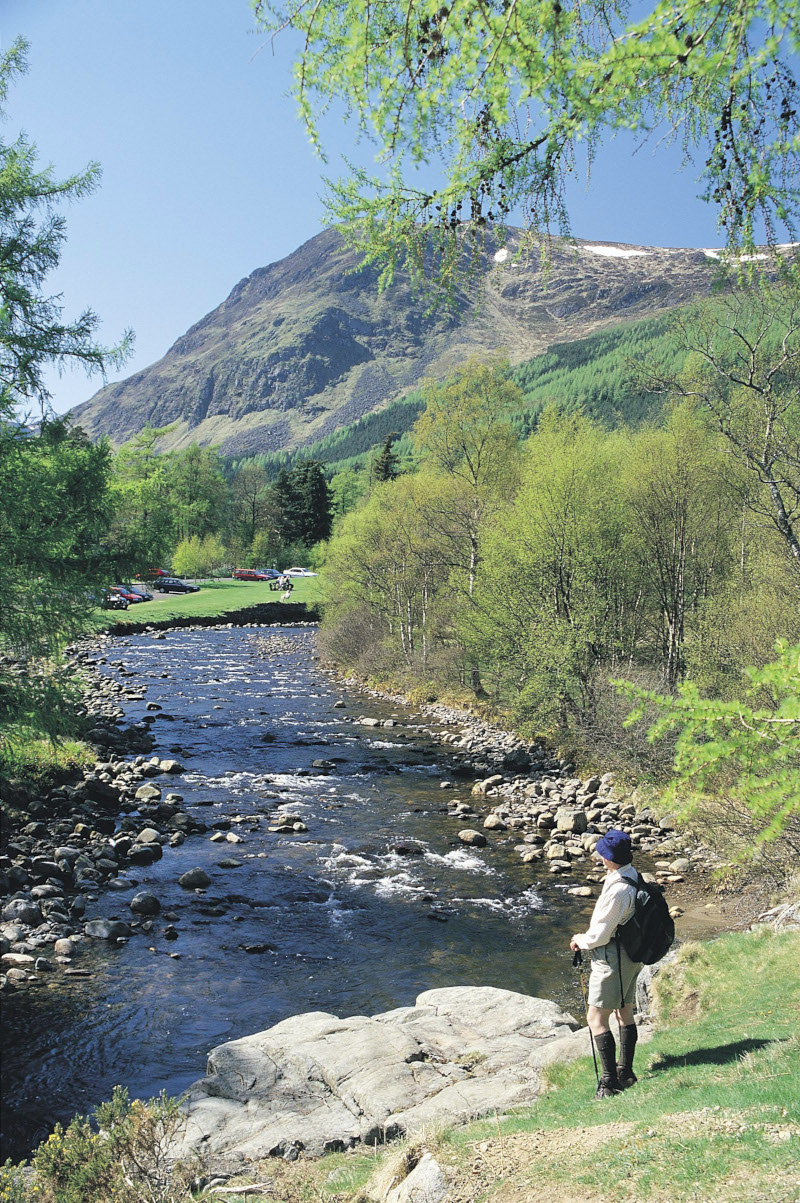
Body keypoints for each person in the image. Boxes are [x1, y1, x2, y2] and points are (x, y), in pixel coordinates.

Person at [570, 828, 642, 1098]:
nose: (600, 858)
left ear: (611, 858)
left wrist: (580, 940)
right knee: (624, 1010)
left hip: (612, 958)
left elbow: (601, 934)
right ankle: (626, 1071)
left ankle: (609, 1083)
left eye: (603, 854)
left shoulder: (618, 890)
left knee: (596, 1017)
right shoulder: (631, 875)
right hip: (631, 956)